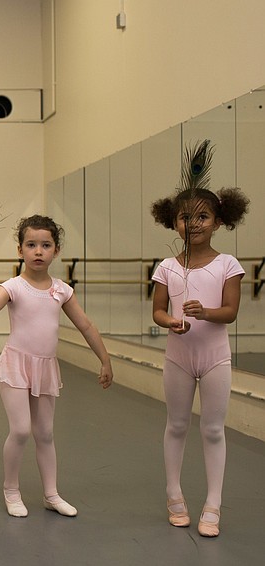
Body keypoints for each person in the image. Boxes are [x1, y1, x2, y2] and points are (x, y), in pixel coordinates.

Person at [0, 215, 113, 518]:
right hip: (15, 366)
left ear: (56, 250)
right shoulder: (13, 287)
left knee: (46, 433)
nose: (38, 251)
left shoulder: (62, 290)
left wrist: (104, 358)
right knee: (21, 430)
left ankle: (51, 494)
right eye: (31, 244)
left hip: (45, 368)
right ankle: (11, 489)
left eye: (45, 245)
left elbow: (86, 326)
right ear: (20, 249)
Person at [150, 187, 249, 537]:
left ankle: (213, 504)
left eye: (202, 216)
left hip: (215, 359)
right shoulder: (166, 267)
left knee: (212, 429)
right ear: (174, 222)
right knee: (176, 425)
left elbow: (231, 312)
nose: (194, 224)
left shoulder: (228, 265)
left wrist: (205, 312)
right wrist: (170, 322)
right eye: (185, 217)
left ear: (219, 221)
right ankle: (174, 494)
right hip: (178, 358)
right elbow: (158, 311)